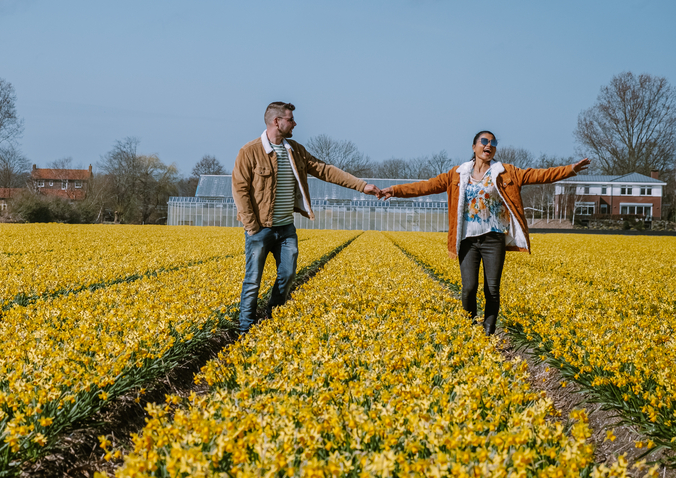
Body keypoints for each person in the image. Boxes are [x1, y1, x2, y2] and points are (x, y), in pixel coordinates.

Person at [380, 130, 590, 334]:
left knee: (492, 289)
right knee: (469, 287)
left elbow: (540, 175)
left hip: (493, 238)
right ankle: (468, 326)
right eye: (484, 141)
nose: (489, 145)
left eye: (493, 142)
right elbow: (425, 187)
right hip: (467, 240)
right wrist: (395, 190)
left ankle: (488, 330)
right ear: (474, 147)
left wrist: (570, 169)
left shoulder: (505, 172)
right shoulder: (457, 174)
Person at [231, 102, 382, 334]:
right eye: (290, 119)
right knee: (253, 281)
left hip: (285, 229)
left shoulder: (295, 150)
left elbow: (325, 170)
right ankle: (245, 330)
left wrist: (362, 186)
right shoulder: (249, 151)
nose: (295, 123)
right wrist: (252, 226)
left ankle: (273, 317)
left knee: (289, 275)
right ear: (276, 122)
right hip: (260, 229)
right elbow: (240, 189)